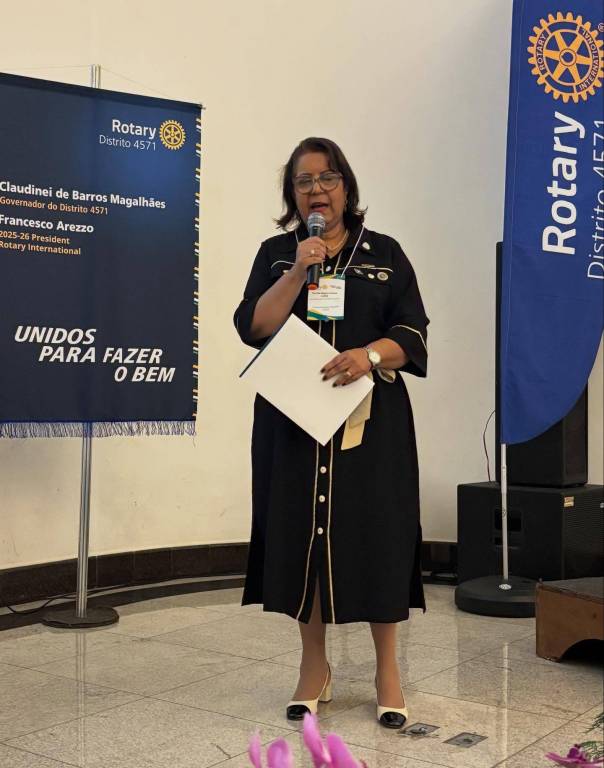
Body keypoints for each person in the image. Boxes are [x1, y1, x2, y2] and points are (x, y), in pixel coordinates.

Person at [234, 137, 429, 728]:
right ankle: (313, 667)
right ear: (291, 194)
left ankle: (387, 670)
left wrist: (369, 355)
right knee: (302, 537)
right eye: (304, 181)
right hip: (293, 422)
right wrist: (299, 270)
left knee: (379, 536)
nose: (316, 190)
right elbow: (253, 325)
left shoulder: (385, 252)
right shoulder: (277, 253)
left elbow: (413, 333)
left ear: (345, 185)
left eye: (327, 178)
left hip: (371, 425)